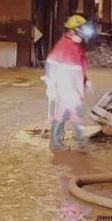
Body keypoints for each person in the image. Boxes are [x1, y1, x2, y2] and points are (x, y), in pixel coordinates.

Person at [44, 14, 93, 152]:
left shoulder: (77, 46)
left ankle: (63, 141)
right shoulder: (63, 45)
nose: (83, 32)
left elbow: (79, 67)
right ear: (72, 30)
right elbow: (50, 64)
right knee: (69, 112)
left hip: (75, 87)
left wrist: (85, 81)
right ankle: (60, 142)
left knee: (68, 112)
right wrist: (51, 85)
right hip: (66, 86)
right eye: (81, 29)